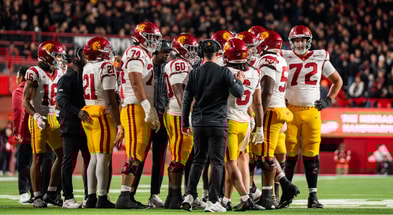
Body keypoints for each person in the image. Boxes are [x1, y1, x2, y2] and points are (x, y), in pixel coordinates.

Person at [281, 25, 343, 208]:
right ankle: (287, 195)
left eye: (302, 39)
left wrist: (329, 100)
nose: (299, 43)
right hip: (290, 111)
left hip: (311, 112)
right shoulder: (283, 56)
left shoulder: (319, 56)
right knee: (289, 155)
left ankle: (313, 197)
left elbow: (337, 80)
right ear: (291, 42)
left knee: (311, 155)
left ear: (308, 41)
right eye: (296, 40)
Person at [181, 39, 245, 213]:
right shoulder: (224, 72)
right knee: (216, 162)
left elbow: (186, 100)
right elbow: (238, 93)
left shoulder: (194, 73)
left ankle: (189, 195)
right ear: (218, 54)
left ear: (201, 54)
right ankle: (213, 201)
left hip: (199, 122)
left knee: (198, 159)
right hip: (217, 122)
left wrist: (184, 123)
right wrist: (239, 80)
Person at [115, 21, 161, 209]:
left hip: (139, 108)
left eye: (155, 38)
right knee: (134, 153)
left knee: (139, 152)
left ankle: (129, 194)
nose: (154, 42)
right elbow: (135, 83)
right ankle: (124, 196)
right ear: (141, 37)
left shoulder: (144, 55)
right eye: (151, 38)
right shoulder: (135, 52)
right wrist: (147, 107)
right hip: (135, 108)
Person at [253, 30, 300, 209]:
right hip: (279, 107)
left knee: (266, 156)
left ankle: (268, 196)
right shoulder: (280, 59)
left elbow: (267, 91)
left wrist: (260, 117)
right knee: (269, 153)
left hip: (271, 109)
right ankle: (283, 186)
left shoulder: (268, 60)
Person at [163, 34, 206, 209]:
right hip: (178, 113)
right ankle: (174, 197)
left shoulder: (185, 64)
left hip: (178, 113)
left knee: (188, 155)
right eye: (190, 48)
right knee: (180, 156)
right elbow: (180, 90)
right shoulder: (178, 63)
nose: (193, 53)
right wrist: (187, 115)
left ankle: (189, 194)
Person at [221, 38, 264, 211]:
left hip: (230, 121)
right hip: (247, 121)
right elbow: (258, 103)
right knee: (243, 160)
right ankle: (227, 198)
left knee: (230, 163)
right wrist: (259, 126)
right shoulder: (255, 72)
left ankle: (245, 198)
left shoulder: (224, 72)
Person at [81, 37, 123, 208]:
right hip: (102, 113)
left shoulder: (87, 67)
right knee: (103, 158)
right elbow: (111, 100)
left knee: (93, 157)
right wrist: (119, 123)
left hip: (88, 112)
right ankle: (102, 197)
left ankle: (91, 196)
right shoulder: (105, 66)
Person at [22, 40, 65, 208]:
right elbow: (26, 100)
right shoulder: (34, 72)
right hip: (39, 119)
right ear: (46, 56)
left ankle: (51, 192)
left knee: (63, 155)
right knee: (37, 157)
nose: (59, 59)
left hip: (54, 117)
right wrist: (36, 115)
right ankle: (37, 196)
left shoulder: (59, 71)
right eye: (57, 55)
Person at [56, 48, 91, 208]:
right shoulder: (67, 78)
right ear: (77, 58)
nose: (88, 59)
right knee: (68, 161)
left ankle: (88, 195)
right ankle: (67, 198)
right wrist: (78, 113)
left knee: (89, 161)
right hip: (70, 125)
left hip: (87, 126)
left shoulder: (87, 76)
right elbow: (62, 102)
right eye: (85, 56)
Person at [148, 39, 171, 208]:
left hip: (164, 115)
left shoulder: (169, 69)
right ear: (156, 52)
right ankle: (129, 192)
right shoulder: (145, 66)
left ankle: (154, 194)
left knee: (160, 157)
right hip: (146, 115)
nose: (167, 54)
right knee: (138, 155)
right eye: (164, 51)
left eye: (168, 51)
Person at [12, 66, 33, 204]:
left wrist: (17, 132)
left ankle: (24, 192)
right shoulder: (37, 87)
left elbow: (19, 111)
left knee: (23, 164)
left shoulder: (20, 90)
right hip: (40, 132)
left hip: (26, 133)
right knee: (38, 163)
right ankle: (37, 192)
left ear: (21, 76)